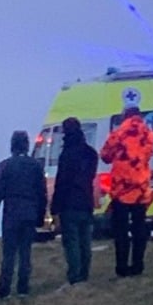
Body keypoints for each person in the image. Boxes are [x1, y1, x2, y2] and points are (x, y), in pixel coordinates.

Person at [0, 130, 48, 301]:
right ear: (27, 145)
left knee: (8, 254)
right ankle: (23, 289)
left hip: (11, 213)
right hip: (29, 212)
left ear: (12, 145)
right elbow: (42, 193)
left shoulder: (5, 166)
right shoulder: (36, 166)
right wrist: (41, 214)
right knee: (25, 253)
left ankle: (4, 290)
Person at [100, 106, 153, 277]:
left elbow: (105, 156)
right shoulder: (149, 135)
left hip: (121, 189)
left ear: (125, 116)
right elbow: (147, 155)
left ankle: (122, 267)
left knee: (121, 230)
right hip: (141, 189)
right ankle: (138, 265)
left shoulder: (117, 134)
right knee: (139, 229)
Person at [50, 117, 100, 284]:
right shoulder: (91, 154)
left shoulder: (66, 154)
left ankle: (75, 276)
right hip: (86, 201)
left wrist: (55, 208)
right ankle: (85, 273)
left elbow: (62, 182)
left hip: (69, 204)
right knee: (85, 241)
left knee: (72, 242)